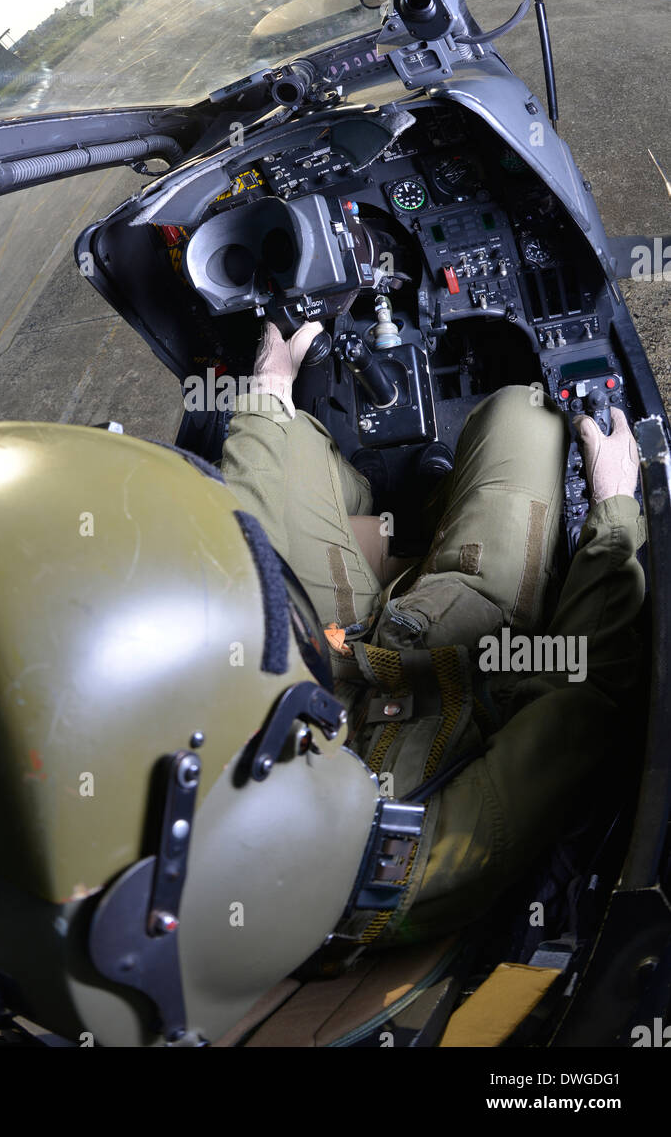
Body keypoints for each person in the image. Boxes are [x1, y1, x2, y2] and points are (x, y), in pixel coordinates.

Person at [221, 321, 646, 948]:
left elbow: (241, 565)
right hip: (468, 640)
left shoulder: (206, 805)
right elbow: (579, 690)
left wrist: (266, 396)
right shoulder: (438, 855)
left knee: (290, 440)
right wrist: (612, 506)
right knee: (522, 409)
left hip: (339, 649)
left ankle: (375, 493)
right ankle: (424, 499)